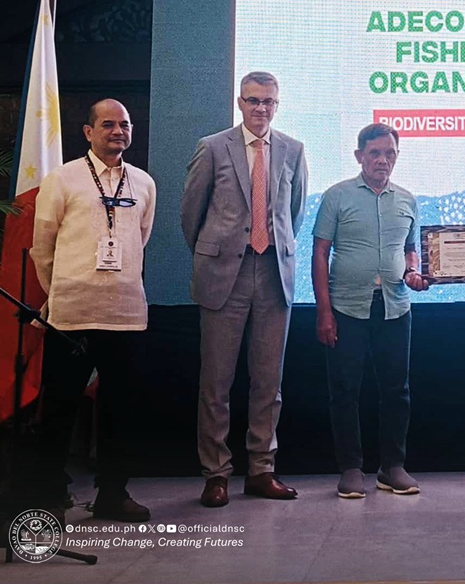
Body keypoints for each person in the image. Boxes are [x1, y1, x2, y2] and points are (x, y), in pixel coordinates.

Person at [181, 71, 308, 507]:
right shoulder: (213, 147)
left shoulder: (293, 150)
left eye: (268, 101)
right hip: (224, 277)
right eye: (253, 100)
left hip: (273, 274)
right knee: (216, 382)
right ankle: (216, 473)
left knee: (268, 383)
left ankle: (261, 470)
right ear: (239, 102)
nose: (261, 108)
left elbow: (294, 213)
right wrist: (216, 253)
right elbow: (192, 215)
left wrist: (270, 246)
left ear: (277, 105)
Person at [30, 99, 156, 522]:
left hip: (126, 314)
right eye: (108, 124)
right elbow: (42, 248)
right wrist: (61, 292)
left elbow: (141, 238)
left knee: (121, 410)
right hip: (71, 315)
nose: (118, 131)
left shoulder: (143, 183)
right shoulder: (62, 179)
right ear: (88, 132)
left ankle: (113, 494)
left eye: (125, 124)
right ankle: (50, 494)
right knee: (59, 407)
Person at [312, 123, 428, 498]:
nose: (382, 160)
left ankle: (392, 467)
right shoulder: (336, 196)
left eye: (389, 153)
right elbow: (319, 253)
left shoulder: (407, 199)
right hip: (345, 309)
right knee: (345, 390)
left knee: (397, 391)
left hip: (395, 308)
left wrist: (412, 271)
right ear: (359, 156)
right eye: (375, 153)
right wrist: (324, 311)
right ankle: (350, 468)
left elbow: (411, 249)